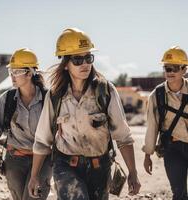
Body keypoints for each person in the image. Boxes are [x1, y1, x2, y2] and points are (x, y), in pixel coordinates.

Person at [28, 28, 141, 200]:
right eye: (78, 59)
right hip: (65, 166)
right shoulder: (55, 95)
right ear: (65, 64)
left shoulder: (106, 91)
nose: (85, 64)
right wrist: (34, 176)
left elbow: (123, 137)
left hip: (100, 167)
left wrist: (133, 172)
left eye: (88, 58)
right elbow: (43, 139)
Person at [0, 48, 52, 200]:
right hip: (15, 159)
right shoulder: (7, 99)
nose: (12, 76)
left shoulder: (48, 98)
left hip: (43, 159)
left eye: (16, 72)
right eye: (11, 71)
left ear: (29, 73)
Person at [143, 46, 188, 200]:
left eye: (174, 68)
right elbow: (152, 126)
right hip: (173, 148)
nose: (170, 72)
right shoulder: (157, 95)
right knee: (179, 193)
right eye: (167, 68)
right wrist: (148, 154)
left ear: (184, 69)